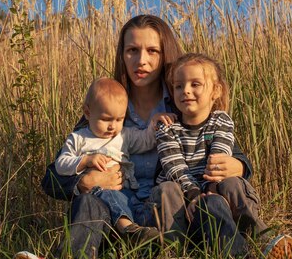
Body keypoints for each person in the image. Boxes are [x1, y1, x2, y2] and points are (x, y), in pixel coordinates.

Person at [38, 15, 251, 259]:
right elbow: (52, 176)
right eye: (132, 50)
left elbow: (227, 149)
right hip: (116, 218)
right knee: (87, 203)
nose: (141, 60)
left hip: (172, 216)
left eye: (152, 51)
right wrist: (83, 182)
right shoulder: (107, 105)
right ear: (122, 55)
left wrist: (239, 166)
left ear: (165, 55)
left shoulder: (183, 101)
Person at [156, 53, 292, 258]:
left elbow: (220, 156)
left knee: (231, 184)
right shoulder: (168, 130)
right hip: (187, 203)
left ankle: (262, 237)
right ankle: (177, 249)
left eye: (195, 84)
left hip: (217, 194)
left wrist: (213, 187)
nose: (185, 90)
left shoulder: (221, 121)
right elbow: (174, 168)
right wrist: (195, 195)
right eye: (178, 86)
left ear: (216, 91)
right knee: (170, 190)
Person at [55, 77, 164, 242]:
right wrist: (85, 161)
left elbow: (144, 141)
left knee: (135, 204)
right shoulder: (78, 138)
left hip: (126, 191)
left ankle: (144, 238)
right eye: (106, 119)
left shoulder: (123, 135)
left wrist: (155, 125)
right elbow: (61, 164)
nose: (113, 126)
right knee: (106, 194)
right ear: (88, 113)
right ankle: (127, 229)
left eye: (119, 119)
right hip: (96, 196)